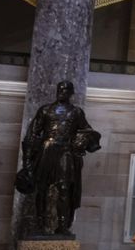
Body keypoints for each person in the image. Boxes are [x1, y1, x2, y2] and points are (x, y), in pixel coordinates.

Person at [17, 81, 101, 235]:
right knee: (41, 188)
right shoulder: (46, 110)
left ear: (71, 93)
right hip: (47, 150)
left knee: (64, 188)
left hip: (66, 152)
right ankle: (40, 224)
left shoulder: (76, 112)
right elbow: (33, 134)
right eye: (60, 89)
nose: (62, 92)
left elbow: (87, 131)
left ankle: (62, 226)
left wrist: (85, 142)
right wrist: (27, 163)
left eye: (65, 90)